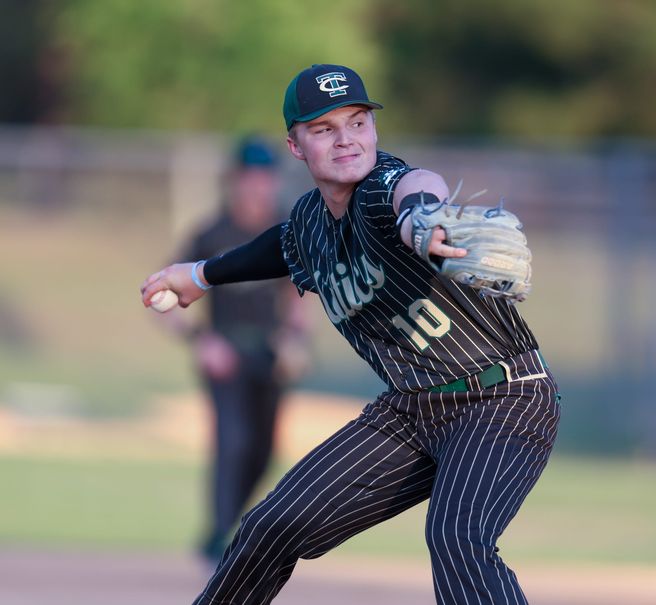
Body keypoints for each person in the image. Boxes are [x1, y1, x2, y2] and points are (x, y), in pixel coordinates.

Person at [141, 64, 561, 604]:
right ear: (295, 145)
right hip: (410, 411)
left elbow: (413, 186)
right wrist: (200, 275)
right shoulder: (310, 224)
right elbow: (278, 247)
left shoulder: (380, 192)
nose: (347, 140)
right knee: (269, 528)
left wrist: (423, 217)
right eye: (324, 129)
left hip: (502, 396)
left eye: (358, 122)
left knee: (457, 538)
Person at [162, 135, 310, 564]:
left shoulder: (286, 229)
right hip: (224, 356)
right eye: (248, 178)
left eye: (264, 178)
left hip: (270, 355)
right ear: (234, 181)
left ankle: (227, 527)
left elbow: (300, 295)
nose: (256, 187)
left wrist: (295, 340)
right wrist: (199, 341)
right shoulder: (212, 234)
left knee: (264, 449)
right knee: (233, 442)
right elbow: (168, 297)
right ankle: (218, 540)